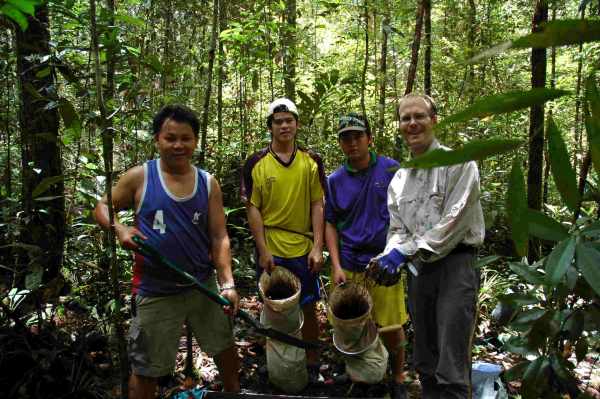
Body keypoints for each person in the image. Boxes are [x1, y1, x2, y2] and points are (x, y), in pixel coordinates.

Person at [94, 104, 240, 399]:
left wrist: (228, 284)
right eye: (170, 138)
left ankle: (234, 393)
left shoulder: (207, 183)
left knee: (224, 347)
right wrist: (119, 228)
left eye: (186, 138)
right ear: (157, 140)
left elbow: (218, 235)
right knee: (147, 367)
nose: (178, 145)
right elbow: (102, 206)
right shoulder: (140, 177)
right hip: (155, 289)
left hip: (201, 284)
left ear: (196, 142)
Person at [369, 94, 484, 399]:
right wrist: (386, 257)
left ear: (434, 120)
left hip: (455, 268)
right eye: (405, 118)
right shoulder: (400, 179)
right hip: (420, 272)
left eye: (419, 116)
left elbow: (452, 224)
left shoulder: (459, 163)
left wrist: (403, 252)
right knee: (425, 359)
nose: (412, 124)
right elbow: (398, 230)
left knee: (451, 362)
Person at [324, 113, 409, 399]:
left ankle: (398, 376)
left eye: (357, 136)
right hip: (349, 262)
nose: (352, 143)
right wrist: (335, 265)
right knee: (350, 324)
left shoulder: (390, 170)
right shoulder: (334, 181)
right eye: (345, 138)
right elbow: (331, 223)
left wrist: (398, 254)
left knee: (391, 324)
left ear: (369, 138)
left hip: (384, 263)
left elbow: (407, 215)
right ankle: (358, 373)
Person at [241, 98, 325, 373]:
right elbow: (252, 207)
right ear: (270, 126)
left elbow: (317, 204)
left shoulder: (311, 161)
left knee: (309, 305)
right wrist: (262, 249)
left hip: (302, 245)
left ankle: (311, 360)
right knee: (273, 307)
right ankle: (276, 361)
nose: (285, 125)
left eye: (289, 120)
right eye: (278, 121)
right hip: (272, 246)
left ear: (297, 124)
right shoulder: (256, 163)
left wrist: (317, 247)